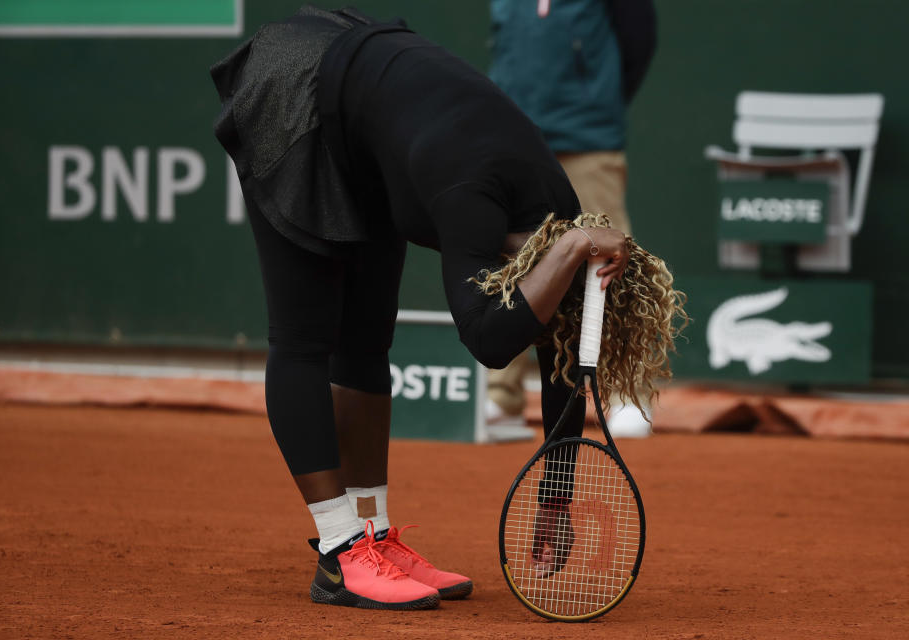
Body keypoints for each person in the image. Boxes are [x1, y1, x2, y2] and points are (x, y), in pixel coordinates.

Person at [210, 6, 683, 611]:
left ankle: (373, 535)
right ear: (557, 247)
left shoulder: (559, 217)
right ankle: (339, 551)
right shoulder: (481, 202)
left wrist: (556, 499)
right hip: (296, 92)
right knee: (304, 333)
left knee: (366, 339)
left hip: (374, 121)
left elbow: (561, 364)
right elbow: (488, 342)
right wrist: (572, 248)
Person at [487, 0, 658, 437]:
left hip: (588, 136)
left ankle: (626, 395)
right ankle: (499, 396)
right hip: (515, 132)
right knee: (511, 259)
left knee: (612, 259)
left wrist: (593, 99)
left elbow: (639, 42)